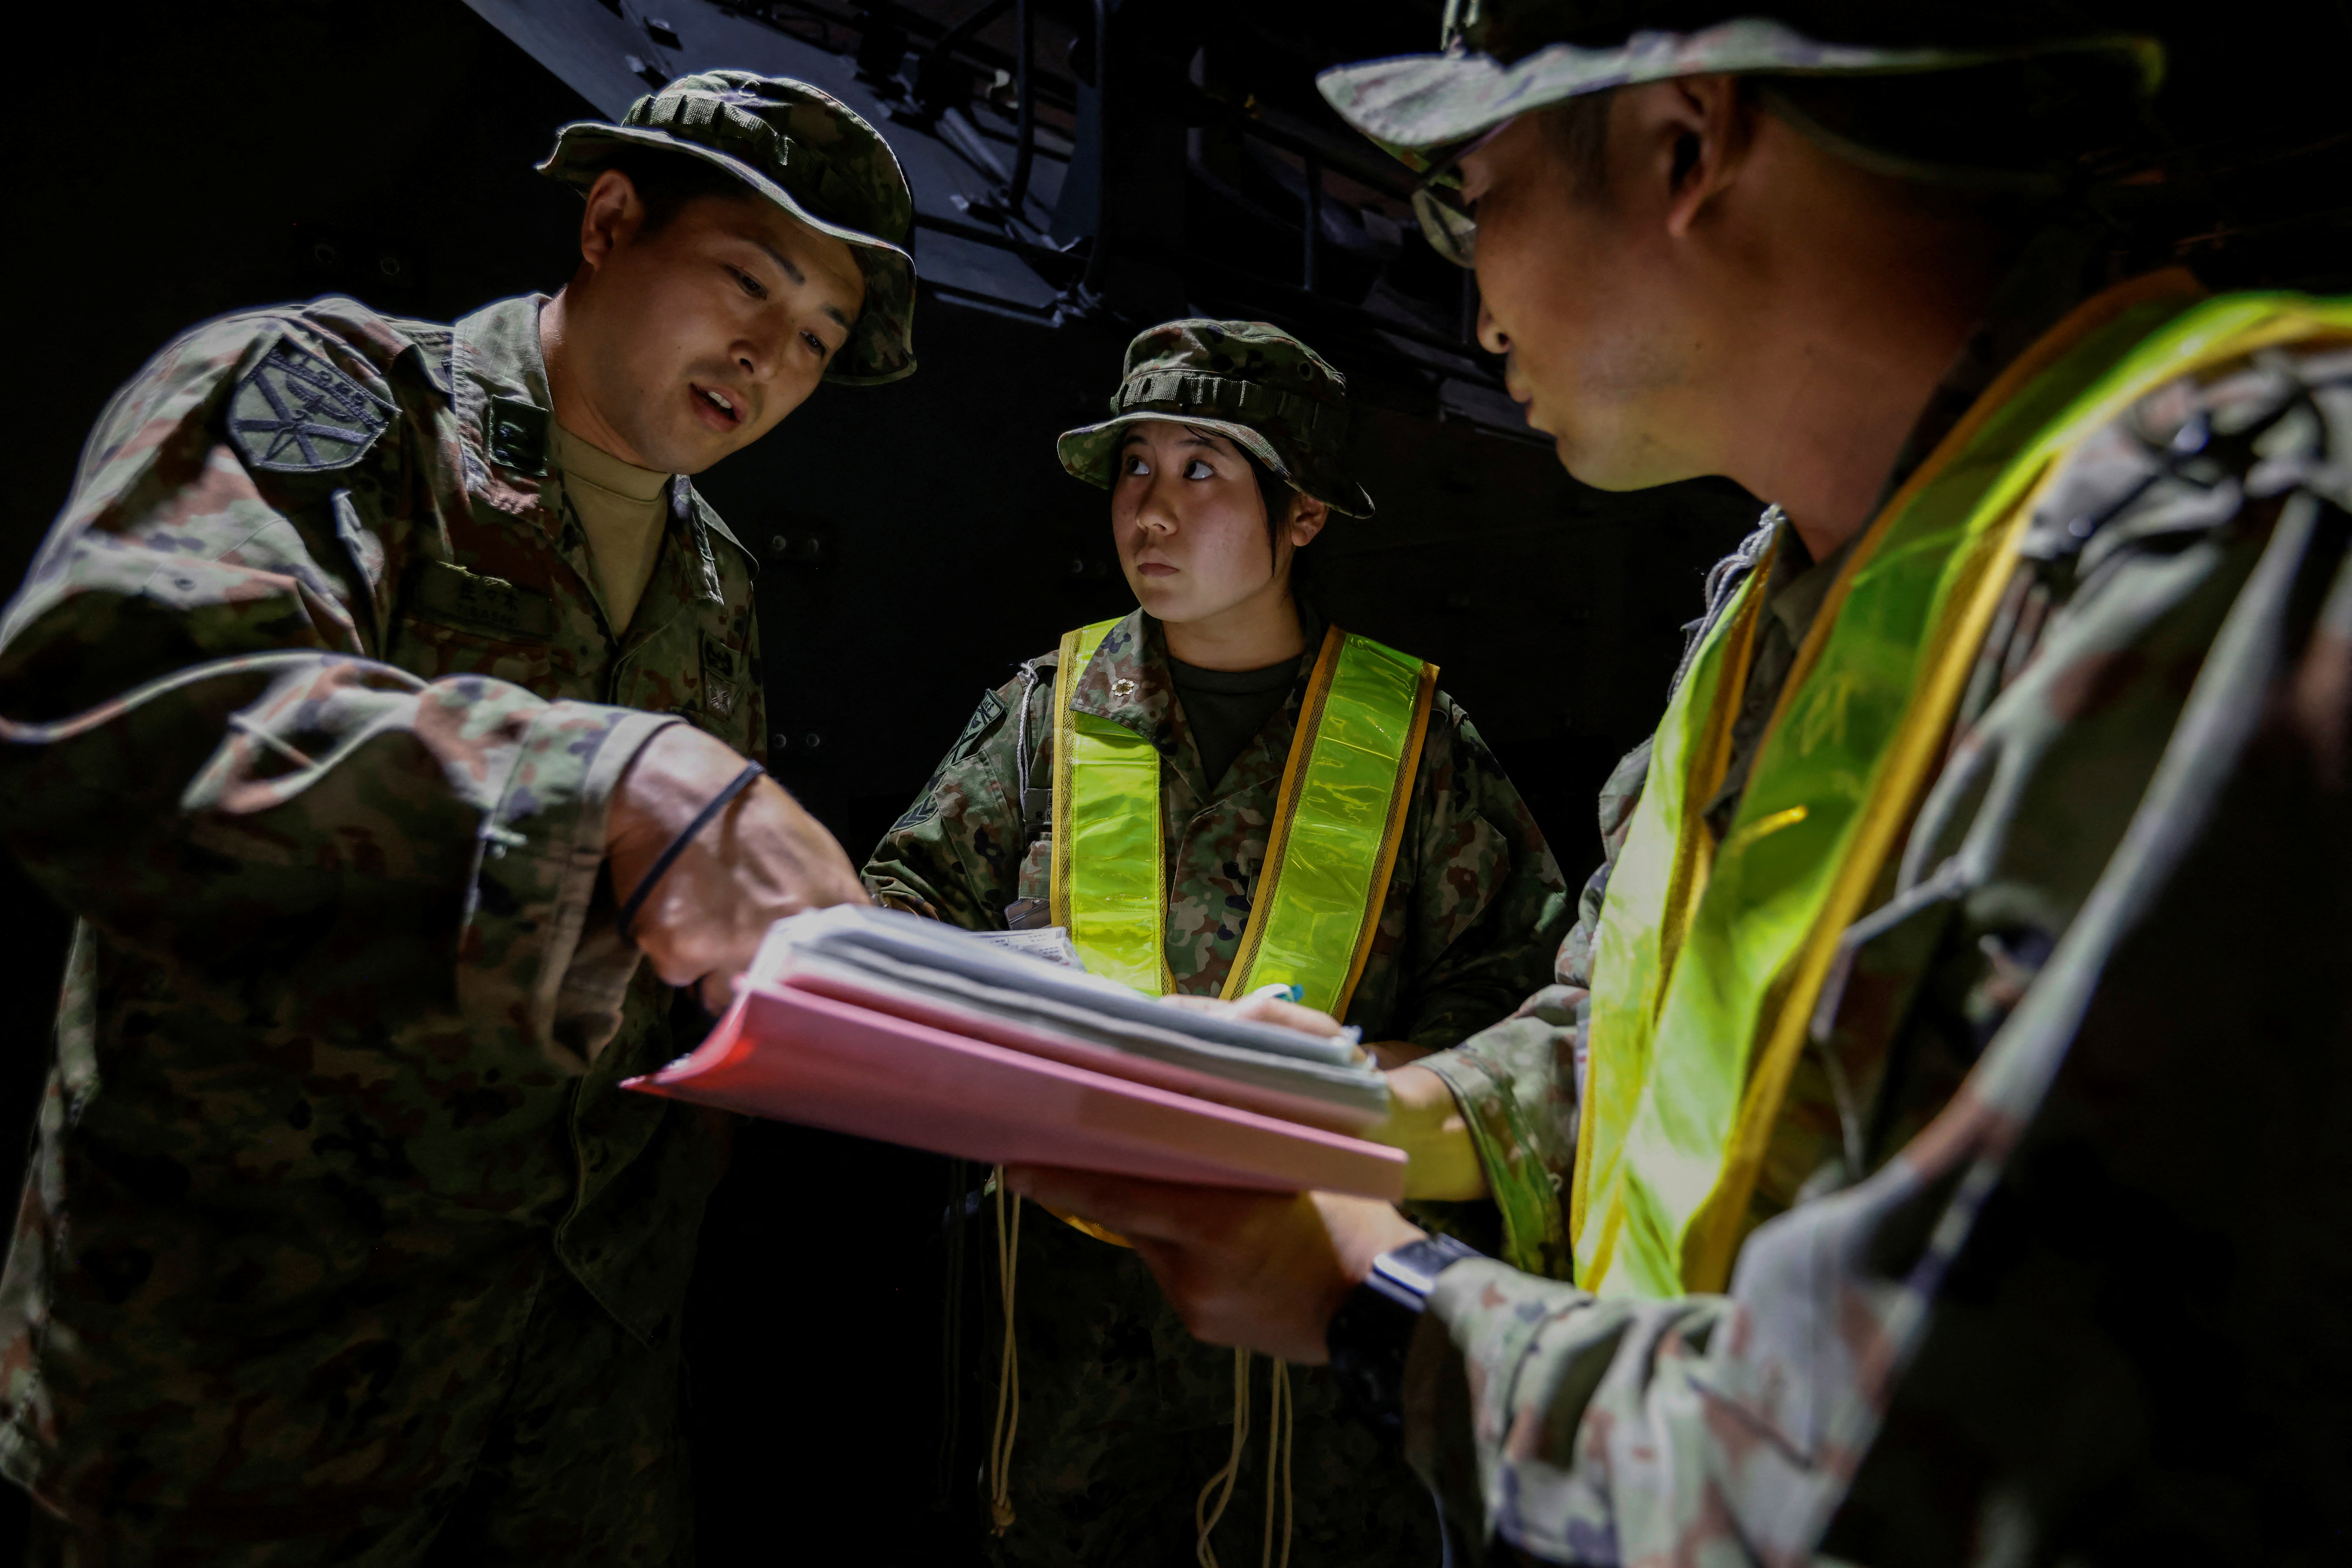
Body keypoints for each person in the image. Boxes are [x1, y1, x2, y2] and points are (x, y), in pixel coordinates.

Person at [1009, 4, 2352, 1563]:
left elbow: (1923, 1459)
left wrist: (1367, 1291)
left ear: (1684, 142)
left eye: (1473, 187)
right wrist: (1350, 1114)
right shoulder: (1778, 590)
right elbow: (1636, 1032)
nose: (1465, 271)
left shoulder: (2236, 562)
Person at [0, 71, 910, 1563]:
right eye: (748, 281)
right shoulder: (342, 400)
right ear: (611, 222)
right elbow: (109, 721)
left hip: (568, 1393)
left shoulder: (714, 577)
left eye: (817, 339)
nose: (771, 354)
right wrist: (598, 778)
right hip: (258, 1381)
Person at [864, 319, 1570, 1564]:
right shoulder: (1048, 710)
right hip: (1061, 1356)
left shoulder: (1410, 739)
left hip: (1307, 1368)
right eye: (1135, 465)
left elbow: (1523, 1009)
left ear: (1300, 515)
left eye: (1203, 470)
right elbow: (896, 918)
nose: (1150, 508)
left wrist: (1322, 1091)